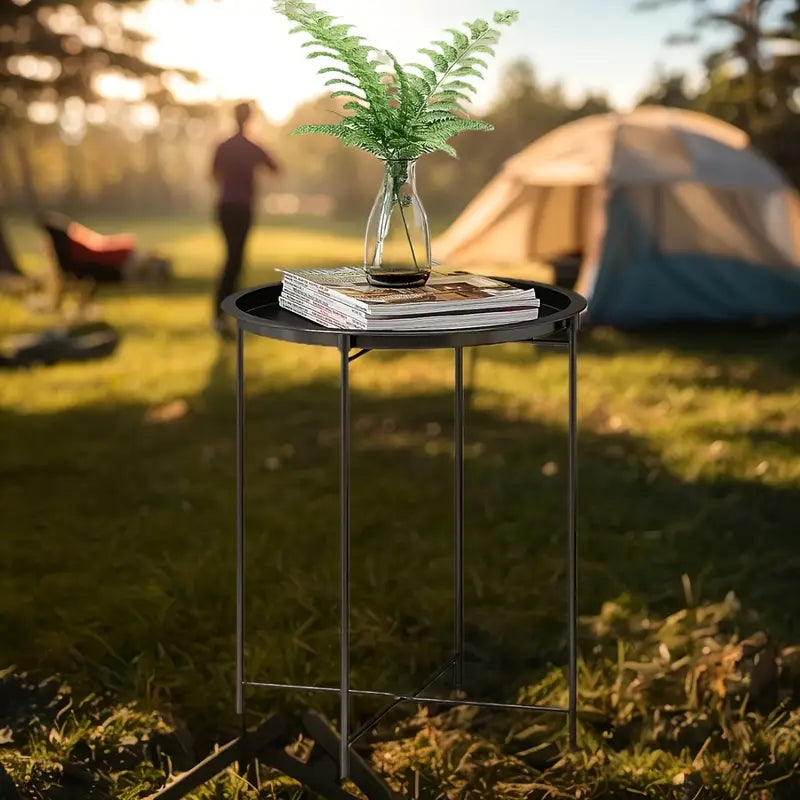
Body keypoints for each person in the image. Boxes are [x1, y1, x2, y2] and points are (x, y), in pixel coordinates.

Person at [210, 101, 280, 338]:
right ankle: (223, 315)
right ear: (250, 119)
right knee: (234, 261)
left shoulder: (224, 146)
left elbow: (213, 174)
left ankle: (225, 315)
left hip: (224, 207)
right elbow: (275, 168)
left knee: (232, 259)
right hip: (241, 208)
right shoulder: (251, 147)